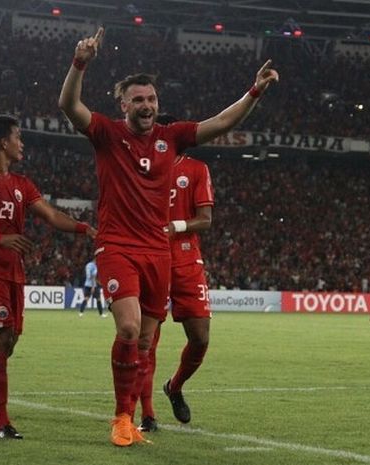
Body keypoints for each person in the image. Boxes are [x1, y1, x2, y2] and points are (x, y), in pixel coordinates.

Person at [58, 27, 278, 447]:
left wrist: (255, 91)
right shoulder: (107, 133)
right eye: (138, 100)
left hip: (158, 252)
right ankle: (122, 417)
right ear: (123, 105)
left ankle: (138, 413)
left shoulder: (170, 137)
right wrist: (80, 63)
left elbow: (221, 123)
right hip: (118, 246)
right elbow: (69, 104)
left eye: (151, 99)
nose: (146, 105)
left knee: (144, 339)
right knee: (127, 329)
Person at [0, 115, 96, 439]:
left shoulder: (22, 184)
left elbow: (52, 215)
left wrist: (87, 229)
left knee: (7, 344)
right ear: (3, 143)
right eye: (18, 137)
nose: (21, 143)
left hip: (14, 272)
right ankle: (2, 424)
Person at [128, 114, 214, 432]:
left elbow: (205, 219)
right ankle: (148, 415)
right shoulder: (140, 167)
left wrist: (173, 226)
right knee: (146, 341)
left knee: (200, 338)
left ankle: (174, 386)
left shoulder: (196, 169)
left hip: (187, 262)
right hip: (151, 257)